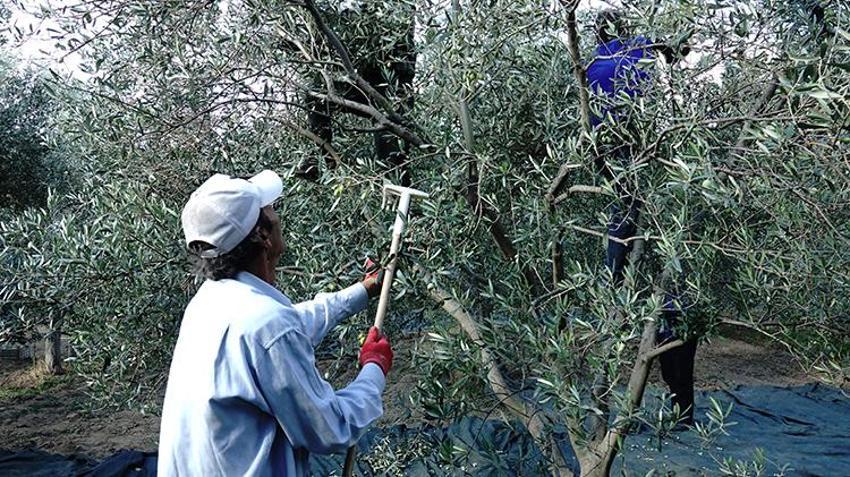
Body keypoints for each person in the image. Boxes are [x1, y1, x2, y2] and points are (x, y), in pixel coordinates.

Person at [158, 170, 393, 476]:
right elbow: (331, 430)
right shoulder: (265, 323)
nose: (277, 214)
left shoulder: (209, 303)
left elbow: (293, 324)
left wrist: (362, 291)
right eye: (269, 209)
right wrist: (373, 370)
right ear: (262, 235)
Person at [586, 10, 698, 425]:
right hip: (643, 155)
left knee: (621, 223)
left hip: (613, 160)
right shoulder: (637, 46)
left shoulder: (590, 63)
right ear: (625, 31)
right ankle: (682, 409)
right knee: (674, 294)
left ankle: (610, 282)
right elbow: (681, 43)